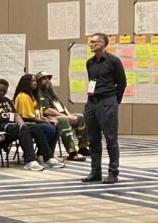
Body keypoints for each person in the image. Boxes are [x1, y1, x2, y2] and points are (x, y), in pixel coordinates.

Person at [0, 79, 54, 171]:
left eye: (5, 91)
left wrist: (22, 123)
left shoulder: (7, 100)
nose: (2, 93)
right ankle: (30, 161)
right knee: (22, 129)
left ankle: (48, 157)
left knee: (35, 127)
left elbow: (16, 115)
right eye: (0, 89)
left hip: (11, 126)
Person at [84, 33, 126, 184]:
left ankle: (113, 172)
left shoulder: (113, 61)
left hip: (108, 101)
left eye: (93, 42)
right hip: (92, 102)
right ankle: (95, 172)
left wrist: (115, 101)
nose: (90, 44)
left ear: (102, 43)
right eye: (90, 42)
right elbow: (91, 82)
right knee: (93, 139)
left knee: (110, 138)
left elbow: (122, 83)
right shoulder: (89, 63)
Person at [36, 72, 87, 161]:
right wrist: (66, 117)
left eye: (48, 78)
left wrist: (69, 115)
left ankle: (83, 147)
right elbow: (47, 110)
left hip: (60, 115)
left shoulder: (51, 92)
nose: (47, 81)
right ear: (39, 81)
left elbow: (62, 106)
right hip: (48, 118)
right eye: (44, 79)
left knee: (80, 117)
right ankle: (72, 152)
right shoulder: (39, 93)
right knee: (63, 120)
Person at [13, 74, 61, 163]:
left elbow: (39, 113)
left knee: (56, 126)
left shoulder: (34, 96)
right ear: (26, 83)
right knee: (49, 129)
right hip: (26, 123)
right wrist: (44, 121)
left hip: (36, 121)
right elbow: (27, 116)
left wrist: (48, 119)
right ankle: (43, 154)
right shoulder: (23, 96)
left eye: (35, 81)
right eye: (32, 81)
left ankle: (47, 154)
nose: (35, 83)